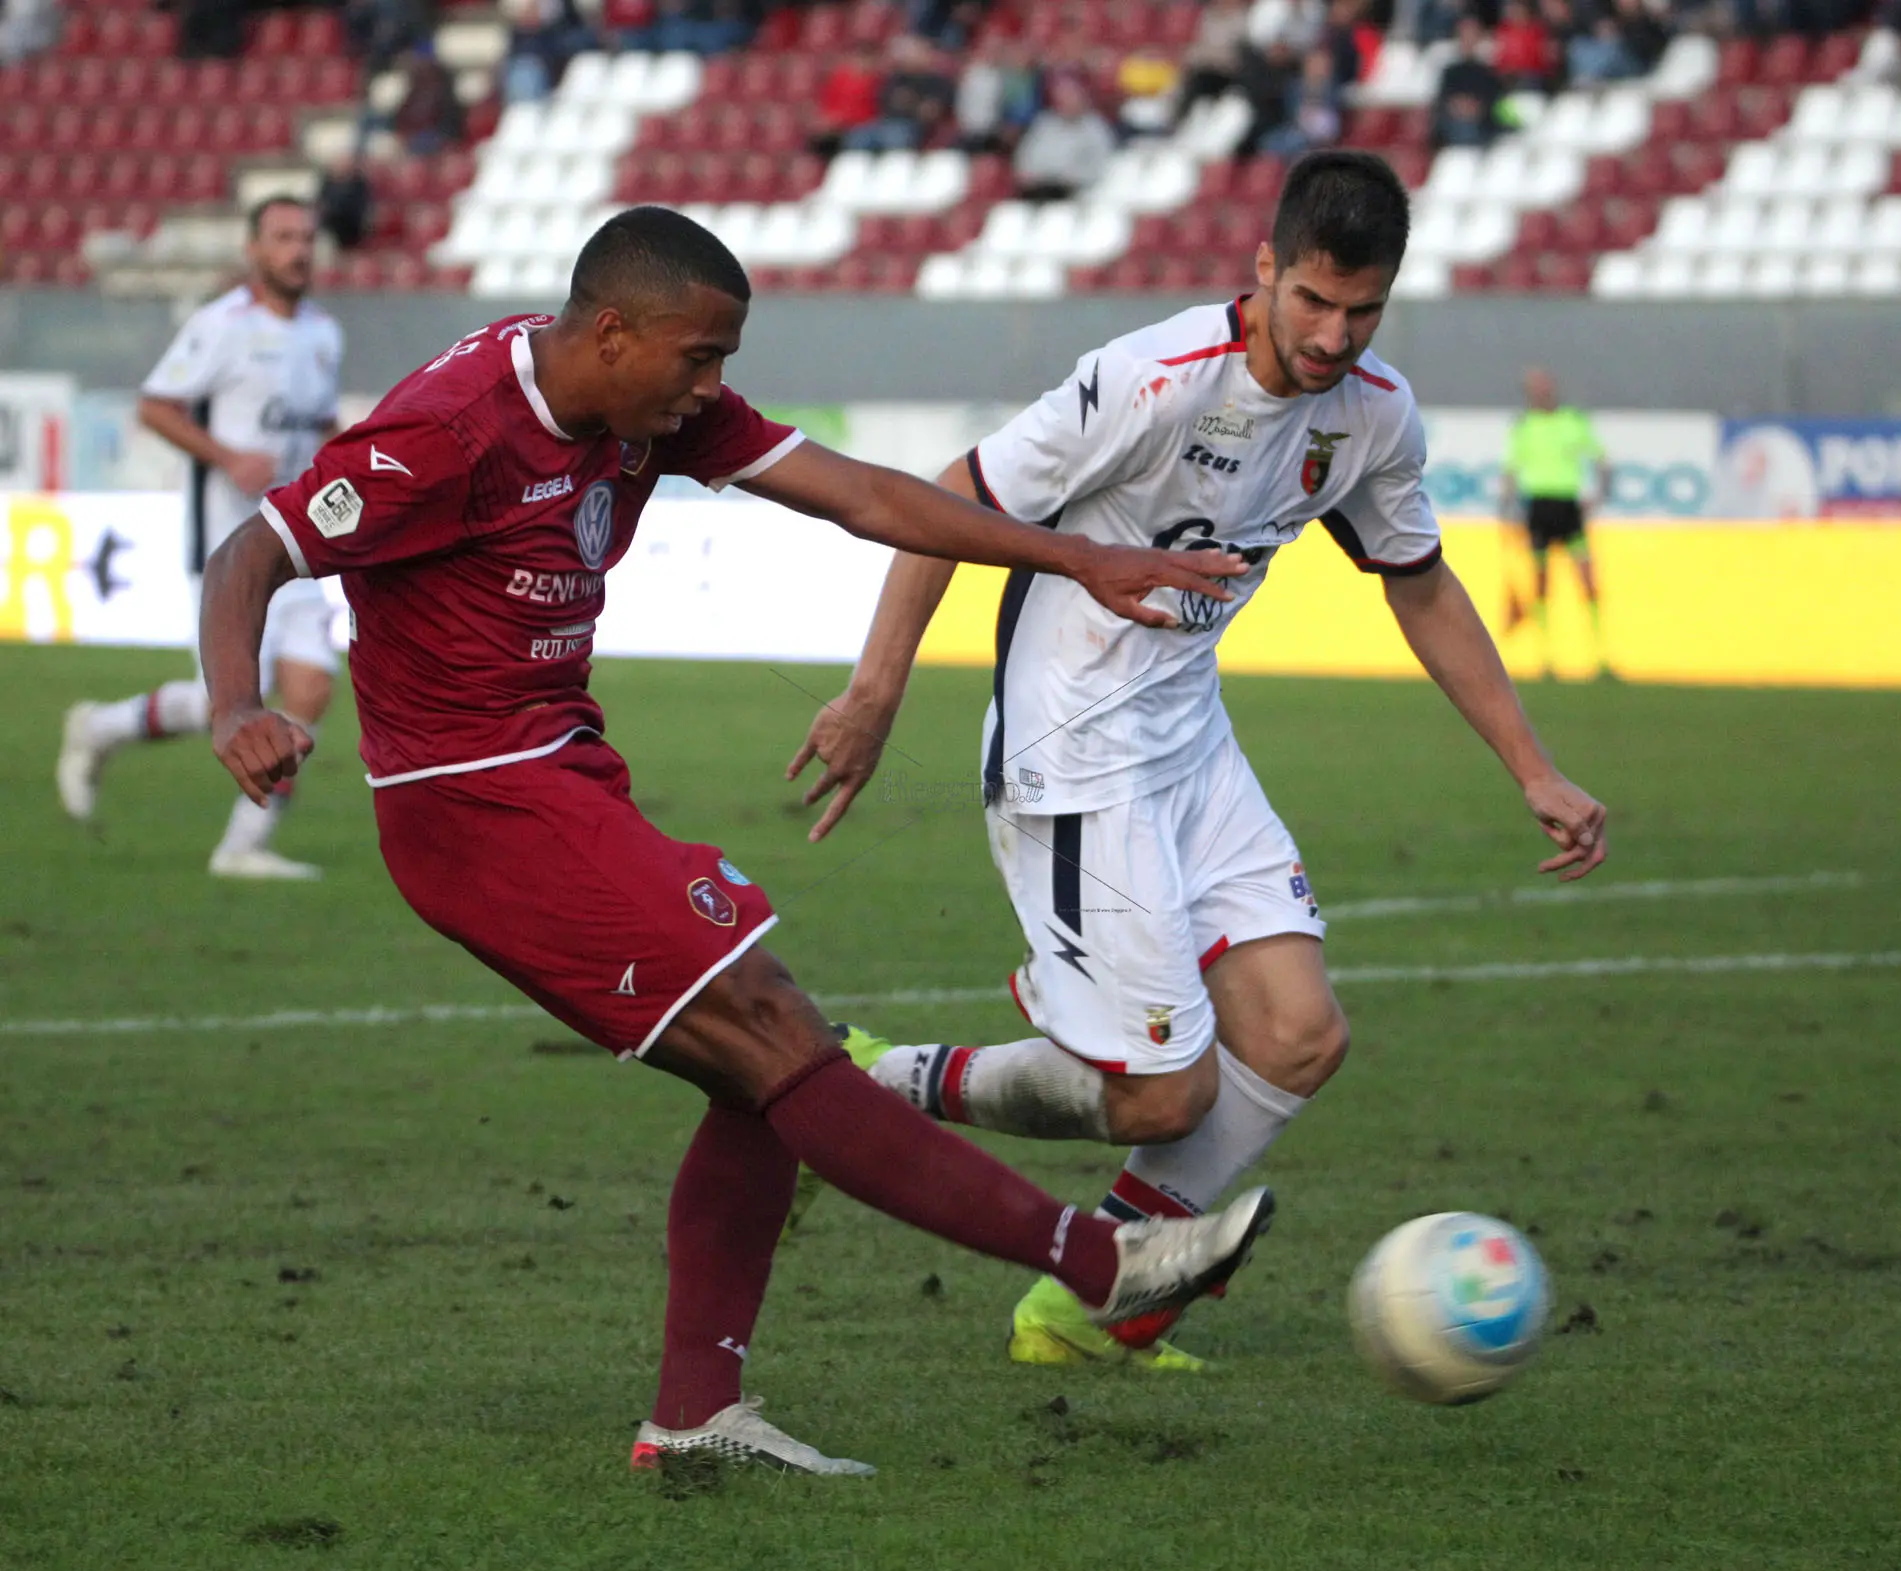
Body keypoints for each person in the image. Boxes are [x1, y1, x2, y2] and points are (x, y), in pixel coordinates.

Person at [197, 205, 1275, 1473]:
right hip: (473, 804)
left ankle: (697, 1419)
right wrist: (235, 704)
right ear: (612, 334)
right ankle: (1108, 1265)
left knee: (757, 1082)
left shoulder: (647, 402)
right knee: (775, 1035)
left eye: (720, 362)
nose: (714, 388)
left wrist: (1076, 558)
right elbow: (251, 552)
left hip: (560, 776)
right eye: (697, 360)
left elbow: (868, 497)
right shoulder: (447, 432)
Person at [784, 152, 1609, 1370]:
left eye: (1362, 309)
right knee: (1166, 1096)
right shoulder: (1154, 381)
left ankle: (1083, 1312)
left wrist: (1532, 766)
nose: (1333, 335)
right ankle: (862, 1086)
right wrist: (875, 689)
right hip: (1074, 759)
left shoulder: (1373, 414)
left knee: (1295, 1039)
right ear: (1265, 268)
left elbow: (1419, 581)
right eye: (1314, 300)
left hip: (1191, 748)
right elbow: (953, 495)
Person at [58, 197, 343, 880]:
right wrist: (226, 456)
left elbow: (321, 425)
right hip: (228, 544)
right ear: (254, 249)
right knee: (227, 694)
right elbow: (156, 405)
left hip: (299, 541)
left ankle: (243, 846)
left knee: (309, 686)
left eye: (305, 237)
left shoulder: (325, 333)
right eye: (281, 237)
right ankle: (100, 727)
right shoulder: (222, 326)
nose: (297, 250)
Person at [1498, 365, 1610, 675]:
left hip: (1568, 506)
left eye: (1544, 386)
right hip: (1538, 507)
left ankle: (1600, 655)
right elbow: (1510, 471)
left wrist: (1599, 496)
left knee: (1587, 579)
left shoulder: (1572, 420)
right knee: (1541, 582)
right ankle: (1546, 658)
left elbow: (1602, 460)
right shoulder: (1524, 426)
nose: (1541, 392)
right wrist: (1505, 513)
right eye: (1535, 387)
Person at [1011, 73, 1118, 203]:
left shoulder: (1097, 129)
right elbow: (1025, 157)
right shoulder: (1044, 124)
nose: (1066, 103)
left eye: (1071, 98)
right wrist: (1031, 175)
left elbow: (1103, 166)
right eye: (1061, 99)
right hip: (1038, 189)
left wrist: (1068, 178)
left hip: (1076, 192)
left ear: (1083, 99)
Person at [1431, 15, 1505, 149]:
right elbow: (1443, 99)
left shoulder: (1488, 72)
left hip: (1480, 122)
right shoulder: (1450, 71)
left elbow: (1492, 100)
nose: (1468, 39)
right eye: (1465, 35)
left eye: (1472, 35)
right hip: (1453, 121)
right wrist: (1460, 107)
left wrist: (1475, 108)